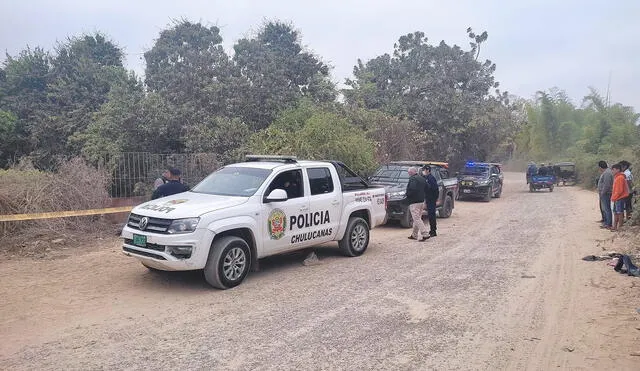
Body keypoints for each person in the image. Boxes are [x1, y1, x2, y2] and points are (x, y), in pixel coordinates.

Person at [405, 167, 429, 241]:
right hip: (421, 201)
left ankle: (425, 234)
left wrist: (407, 194)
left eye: (409, 173)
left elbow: (412, 189)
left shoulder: (413, 179)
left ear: (411, 172)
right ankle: (414, 235)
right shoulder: (422, 178)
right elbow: (427, 188)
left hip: (414, 202)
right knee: (417, 218)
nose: (408, 174)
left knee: (417, 218)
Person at [611, 163, 629, 231]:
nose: (612, 171)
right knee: (616, 212)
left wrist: (614, 197)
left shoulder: (620, 177)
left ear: (618, 170)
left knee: (620, 212)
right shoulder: (617, 177)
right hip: (617, 198)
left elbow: (619, 190)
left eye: (613, 169)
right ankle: (615, 226)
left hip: (619, 198)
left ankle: (620, 227)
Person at [422, 165, 439, 238]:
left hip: (431, 199)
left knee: (432, 215)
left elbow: (435, 189)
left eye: (424, 170)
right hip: (429, 199)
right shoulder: (427, 178)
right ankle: (432, 230)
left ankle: (433, 230)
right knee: (430, 215)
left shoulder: (431, 178)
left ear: (428, 170)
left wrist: (434, 199)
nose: (423, 171)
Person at [597, 161, 614, 229]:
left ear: (600, 167)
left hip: (606, 193)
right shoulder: (606, 172)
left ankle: (608, 223)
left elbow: (606, 185)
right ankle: (606, 222)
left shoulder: (607, 173)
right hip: (605, 193)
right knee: (605, 208)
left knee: (606, 208)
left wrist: (602, 193)